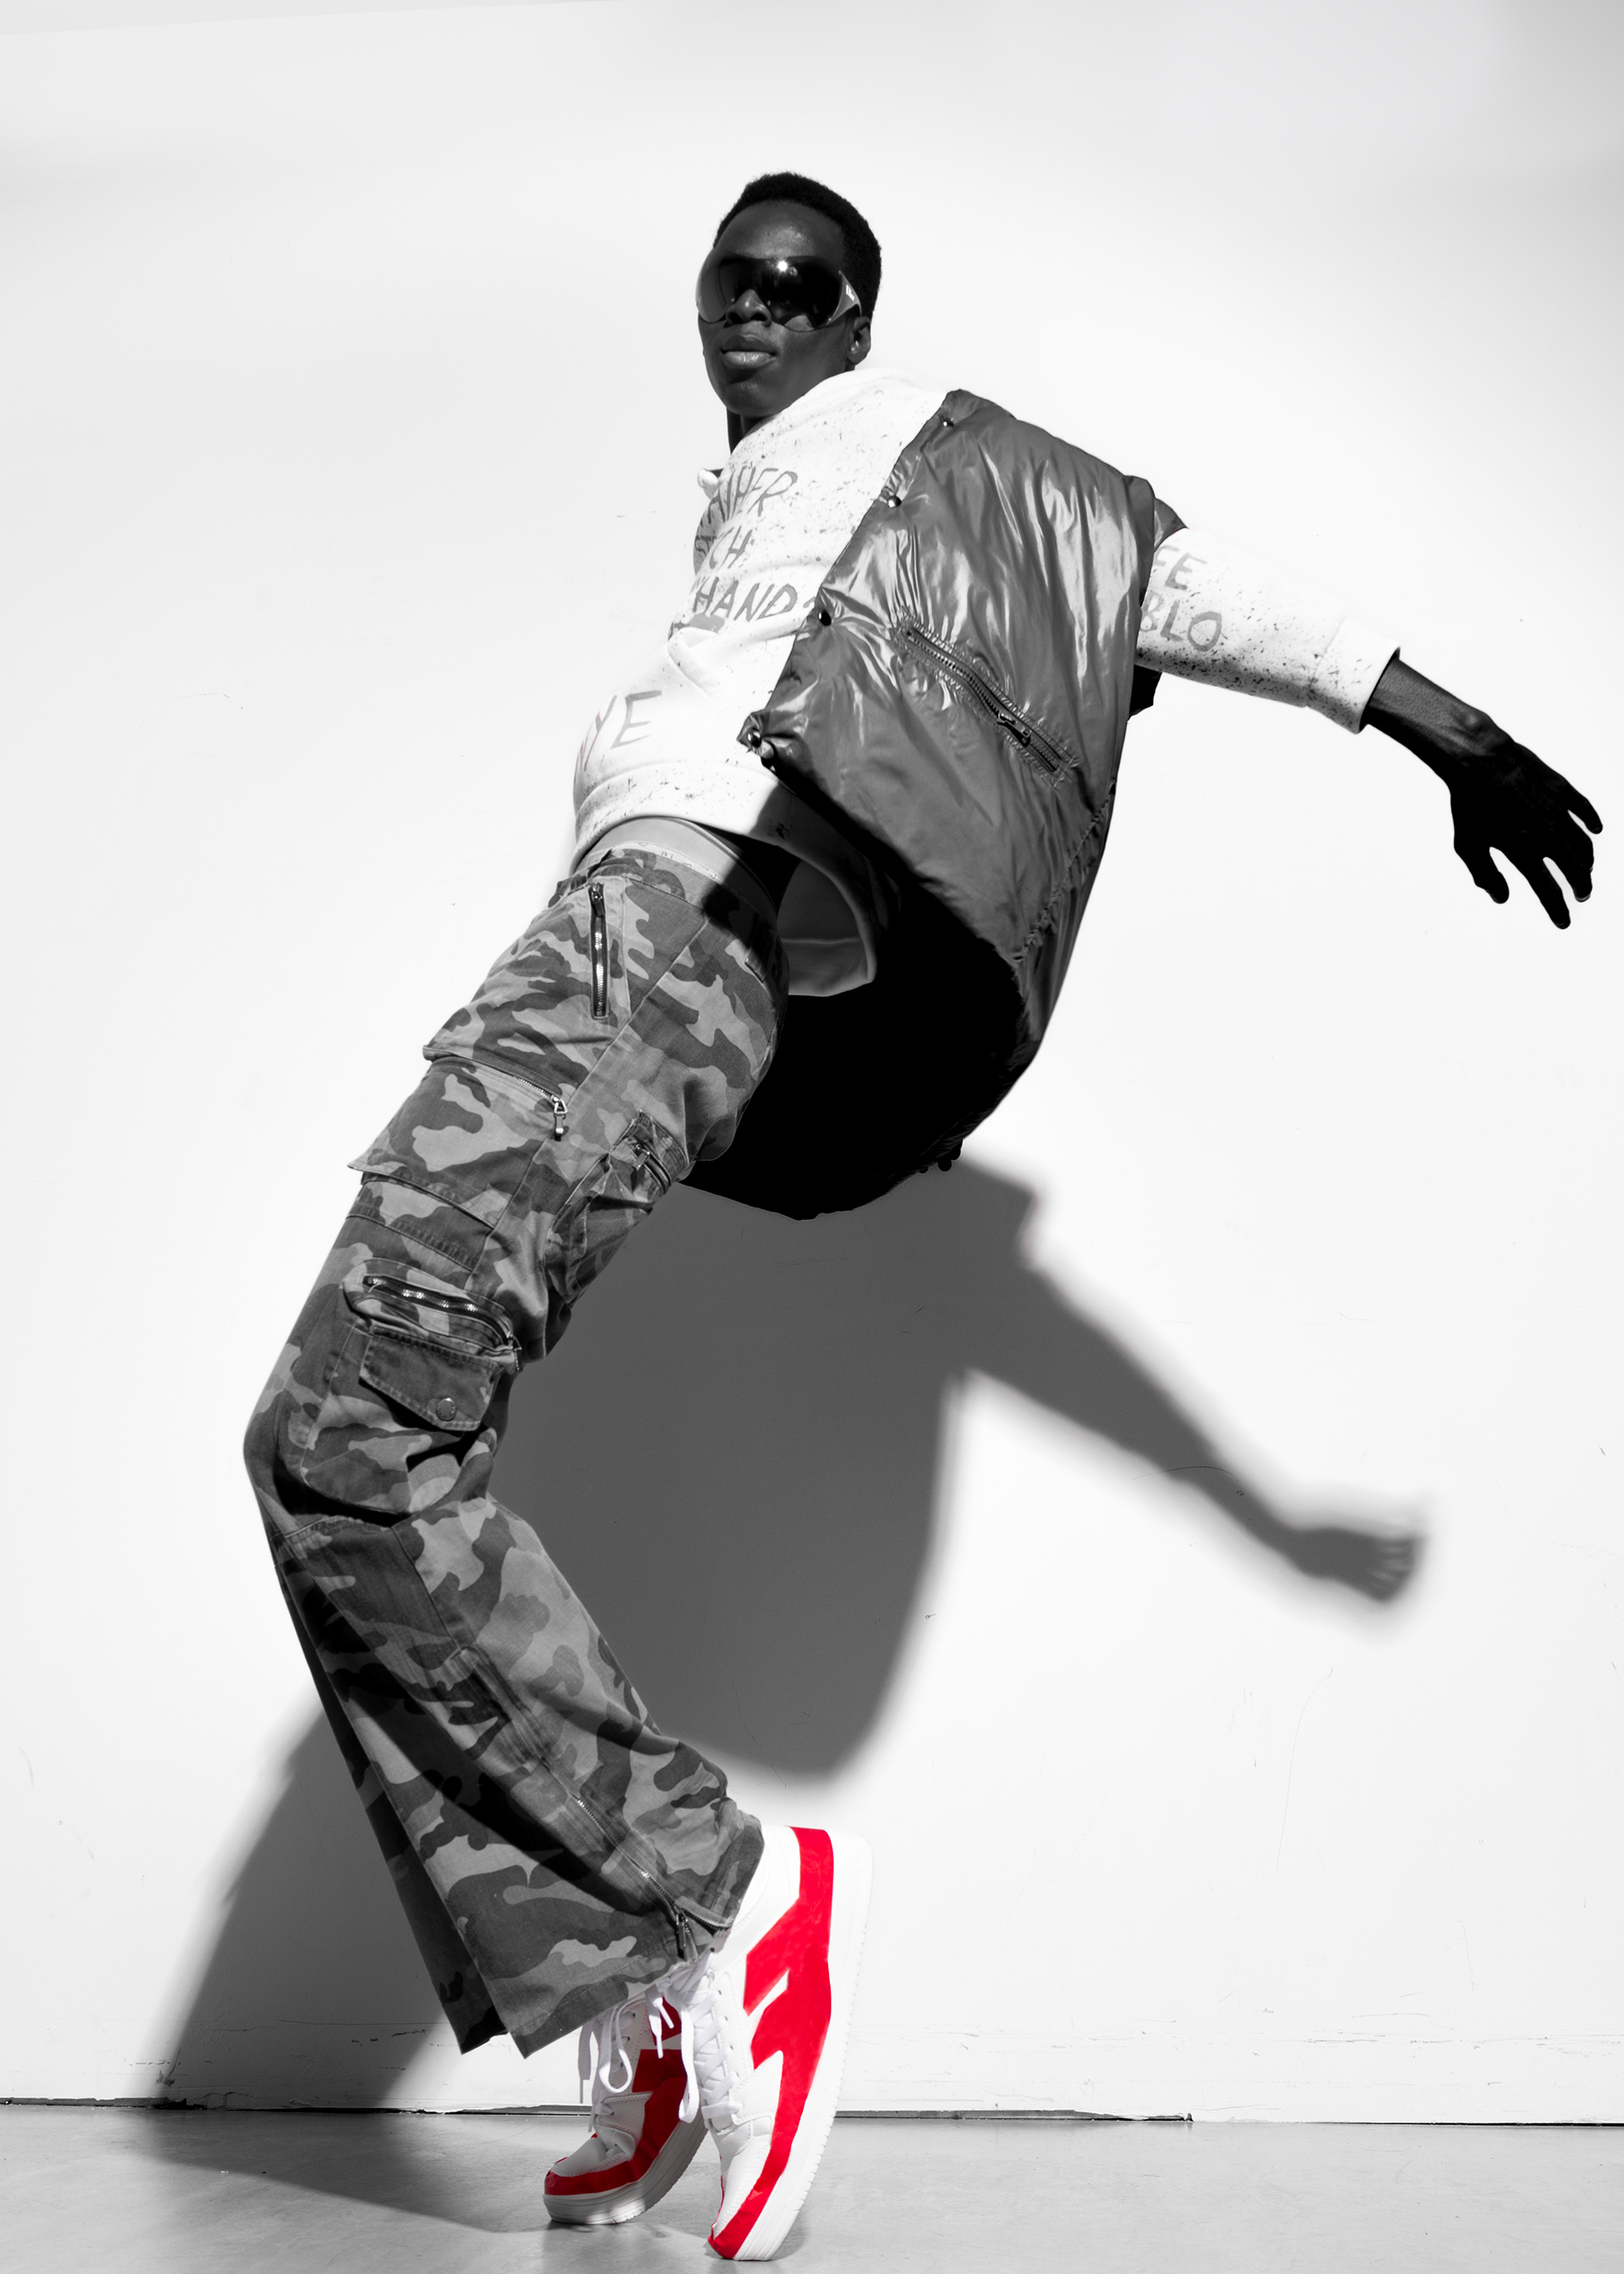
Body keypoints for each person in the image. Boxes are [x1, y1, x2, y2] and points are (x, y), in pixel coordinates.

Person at [244, 171, 1600, 2260]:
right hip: (644, 943)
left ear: (857, 319)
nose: (760, 307)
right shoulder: (749, 516)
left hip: (665, 935)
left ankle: (727, 1900)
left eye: (801, 283)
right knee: (362, 1440)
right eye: (734, 277)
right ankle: (647, 1984)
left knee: (347, 1430)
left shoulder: (907, 443)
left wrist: (1444, 727)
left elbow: (1163, 567)